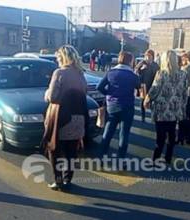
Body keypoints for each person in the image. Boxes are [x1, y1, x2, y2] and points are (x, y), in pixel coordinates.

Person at [42, 45, 87, 191]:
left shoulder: (59, 73)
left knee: (54, 149)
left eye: (58, 57)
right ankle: (68, 179)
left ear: (62, 57)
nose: (57, 60)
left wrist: (47, 92)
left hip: (61, 118)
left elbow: (53, 97)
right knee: (71, 152)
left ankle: (58, 180)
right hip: (78, 117)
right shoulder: (80, 74)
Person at [97, 51, 140, 168]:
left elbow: (99, 87)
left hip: (112, 106)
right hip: (127, 107)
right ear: (130, 61)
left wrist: (109, 94)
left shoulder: (111, 72)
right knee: (124, 134)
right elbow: (139, 89)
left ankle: (101, 157)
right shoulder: (133, 76)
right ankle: (121, 161)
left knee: (108, 132)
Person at [144, 50, 188, 164]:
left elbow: (154, 89)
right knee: (172, 134)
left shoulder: (161, 73)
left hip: (161, 109)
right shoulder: (183, 74)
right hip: (175, 109)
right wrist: (182, 107)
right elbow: (184, 93)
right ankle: (168, 157)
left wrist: (147, 100)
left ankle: (155, 159)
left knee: (160, 137)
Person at [135, 49, 160, 122]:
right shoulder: (142, 62)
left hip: (153, 85)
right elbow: (136, 70)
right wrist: (140, 69)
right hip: (144, 86)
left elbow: (158, 74)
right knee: (142, 101)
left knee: (152, 101)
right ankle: (143, 117)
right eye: (146, 55)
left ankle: (153, 116)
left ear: (152, 56)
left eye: (149, 55)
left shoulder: (155, 65)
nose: (147, 57)